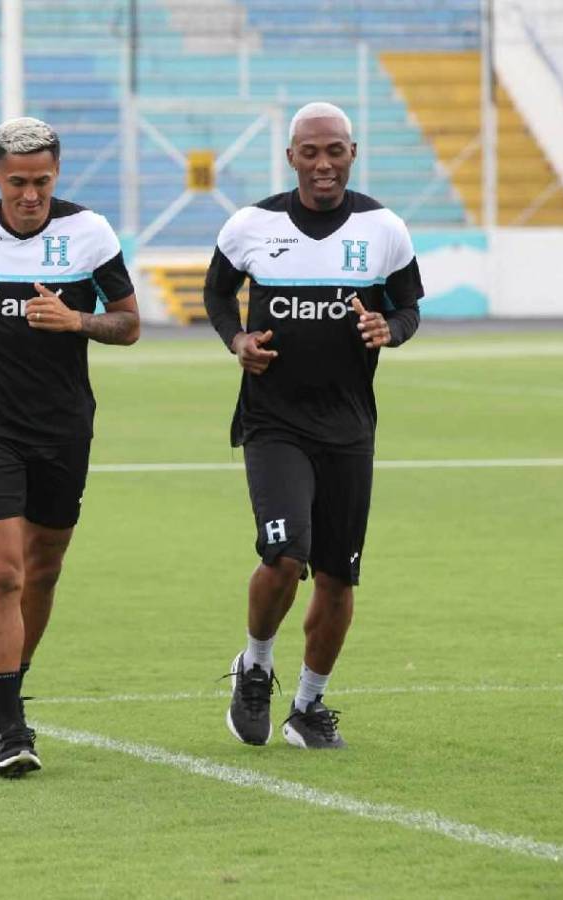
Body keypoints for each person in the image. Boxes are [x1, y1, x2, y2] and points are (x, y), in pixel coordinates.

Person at [0, 117, 140, 778]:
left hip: (64, 424)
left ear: (57, 176)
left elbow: (129, 323)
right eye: (17, 183)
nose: (30, 195)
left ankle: (5, 676)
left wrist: (77, 320)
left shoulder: (88, 234)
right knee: (4, 572)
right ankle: (9, 725)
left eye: (42, 182)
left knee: (43, 567)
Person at [203, 101, 423, 750]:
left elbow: (408, 306)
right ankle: (256, 664)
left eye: (334, 151)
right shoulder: (252, 224)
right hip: (274, 421)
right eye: (310, 151)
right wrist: (236, 339)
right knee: (284, 553)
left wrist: (392, 329)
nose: (322, 164)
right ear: (291, 157)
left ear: (352, 153)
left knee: (337, 576)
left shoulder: (384, 229)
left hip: (350, 427)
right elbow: (218, 295)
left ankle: (307, 707)